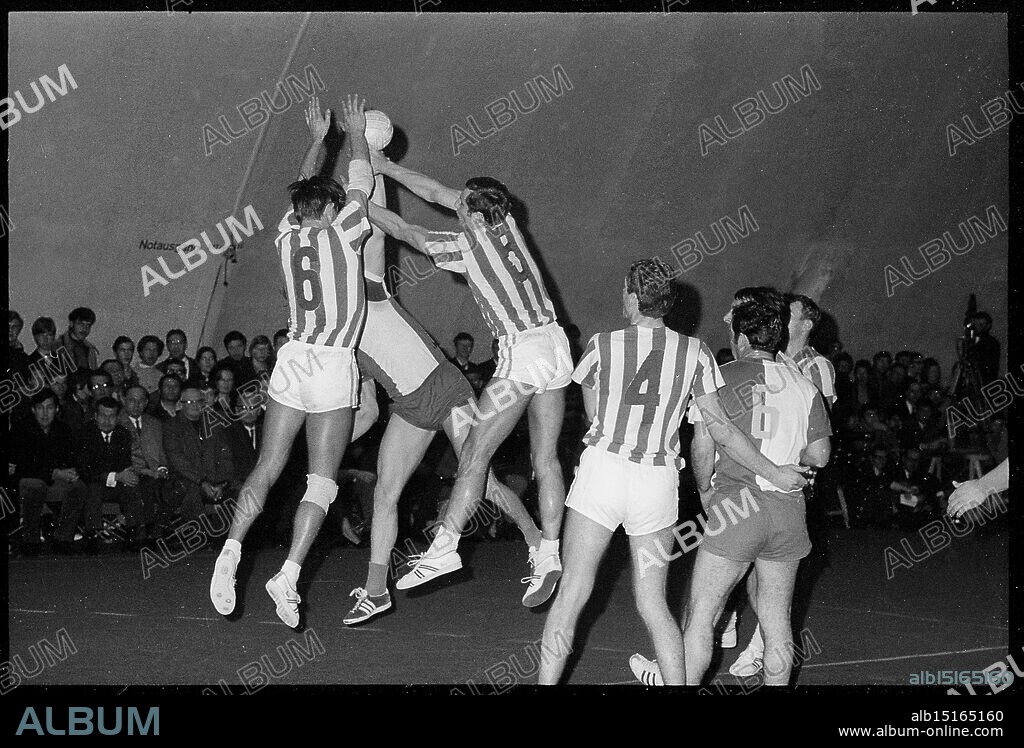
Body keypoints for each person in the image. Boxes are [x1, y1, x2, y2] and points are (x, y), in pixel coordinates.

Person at [538, 261, 807, 685]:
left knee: (572, 593)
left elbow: (593, 414)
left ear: (631, 296)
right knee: (653, 605)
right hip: (657, 482)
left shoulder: (602, 344)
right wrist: (775, 471)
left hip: (604, 471)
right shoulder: (697, 352)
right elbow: (720, 427)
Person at [338, 156, 541, 624]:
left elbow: (382, 232)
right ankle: (375, 591)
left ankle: (538, 547)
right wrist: (322, 452)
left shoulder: (368, 289)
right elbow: (367, 412)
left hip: (445, 387)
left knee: (482, 480)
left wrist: (365, 160)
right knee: (386, 491)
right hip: (409, 407)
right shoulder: (343, 338)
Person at [209, 94, 376, 628]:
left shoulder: (286, 235)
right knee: (320, 482)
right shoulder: (344, 230)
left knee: (266, 467)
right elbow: (361, 183)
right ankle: (288, 574)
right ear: (329, 211)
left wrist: (315, 141)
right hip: (329, 363)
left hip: (291, 359)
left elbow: (306, 188)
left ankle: (232, 549)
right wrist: (353, 136)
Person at [630, 295, 829, 686]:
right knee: (777, 623)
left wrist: (704, 488)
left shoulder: (720, 377)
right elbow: (819, 456)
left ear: (740, 337)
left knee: (703, 615)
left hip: (738, 505)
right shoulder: (804, 386)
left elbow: (703, 446)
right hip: (787, 512)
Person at [11, 389, 87, 555]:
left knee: (78, 486)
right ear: (33, 409)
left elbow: (71, 457)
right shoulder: (21, 428)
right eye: (40, 408)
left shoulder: (62, 429)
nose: (45, 413)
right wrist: (54, 472)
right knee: (34, 485)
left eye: (50, 408)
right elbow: (23, 464)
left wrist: (72, 472)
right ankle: (30, 539)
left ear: (57, 409)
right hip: (30, 479)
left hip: (56, 479)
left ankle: (63, 538)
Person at [75, 396, 141, 551]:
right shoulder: (85, 434)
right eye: (103, 416)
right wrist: (115, 475)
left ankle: (134, 534)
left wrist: (124, 475)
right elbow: (86, 469)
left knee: (131, 485)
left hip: (116, 482)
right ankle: (92, 535)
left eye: (111, 416)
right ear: (96, 416)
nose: (106, 420)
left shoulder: (123, 434)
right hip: (93, 482)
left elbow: (124, 465)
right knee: (93, 488)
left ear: (118, 418)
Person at [57, 307, 99, 372]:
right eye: (81, 324)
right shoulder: (58, 346)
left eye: (88, 325)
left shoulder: (90, 349)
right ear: (71, 323)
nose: (84, 328)